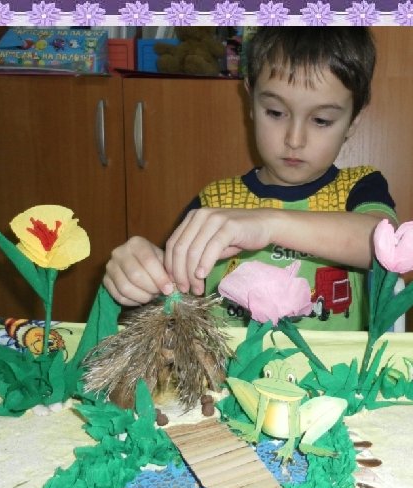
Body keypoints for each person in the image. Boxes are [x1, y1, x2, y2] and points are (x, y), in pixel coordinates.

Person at [104, 28, 397, 330]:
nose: (294, 139)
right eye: (275, 112)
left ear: (353, 120)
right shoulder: (214, 203)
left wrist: (269, 225)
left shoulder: (358, 187)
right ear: (251, 100)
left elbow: (386, 245)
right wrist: (142, 280)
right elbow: (172, 306)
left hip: (334, 363)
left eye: (321, 120)